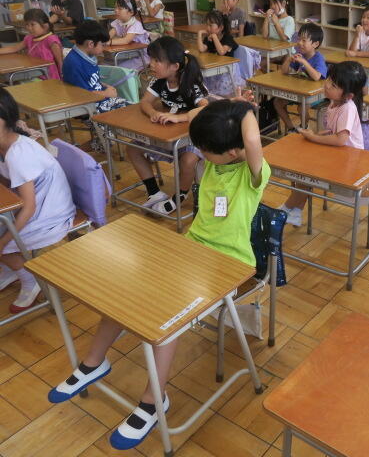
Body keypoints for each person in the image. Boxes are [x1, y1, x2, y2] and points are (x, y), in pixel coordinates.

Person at [48, 100, 269, 452]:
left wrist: (244, 110)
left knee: (164, 317)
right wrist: (224, 110)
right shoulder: (217, 163)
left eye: (205, 149)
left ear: (232, 152)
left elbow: (253, 142)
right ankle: (94, 362)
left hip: (227, 263)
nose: (199, 153)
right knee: (127, 293)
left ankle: (154, 400)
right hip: (192, 249)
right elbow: (198, 113)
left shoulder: (253, 175)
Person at [0, 88, 75, 314]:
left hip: (49, 214)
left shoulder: (18, 153)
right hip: (34, 205)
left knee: (0, 241)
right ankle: (11, 269)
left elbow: (29, 207)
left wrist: (2, 243)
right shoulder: (5, 144)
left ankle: (29, 278)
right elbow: (7, 182)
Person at [127, 36, 209, 215]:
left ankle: (179, 196)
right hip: (168, 134)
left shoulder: (190, 84)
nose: (151, 64)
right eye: (151, 59)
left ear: (174, 66)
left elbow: (205, 108)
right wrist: (153, 113)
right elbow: (145, 102)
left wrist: (179, 118)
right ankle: (154, 192)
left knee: (188, 160)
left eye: (157, 60)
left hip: (194, 136)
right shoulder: (159, 81)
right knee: (132, 148)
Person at [279, 61, 365, 226]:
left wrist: (314, 138)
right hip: (338, 154)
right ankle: (295, 211)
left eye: (333, 85)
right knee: (305, 169)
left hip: (350, 162)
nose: (327, 85)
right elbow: (335, 133)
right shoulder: (335, 102)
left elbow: (341, 139)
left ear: (348, 96)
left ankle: (286, 209)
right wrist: (319, 134)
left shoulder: (347, 108)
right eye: (329, 80)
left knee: (308, 172)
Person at [63, 21, 129, 151]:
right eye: (102, 45)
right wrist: (107, 93)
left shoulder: (86, 55)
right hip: (88, 107)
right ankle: (76, 152)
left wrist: (106, 86)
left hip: (99, 101)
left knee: (133, 111)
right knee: (108, 140)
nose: (103, 48)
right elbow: (81, 95)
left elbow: (91, 80)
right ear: (90, 44)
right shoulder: (74, 63)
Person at [274, 23, 327, 133]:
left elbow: (317, 77)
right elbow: (284, 71)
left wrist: (304, 62)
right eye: (299, 39)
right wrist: (288, 60)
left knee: (301, 107)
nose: (299, 43)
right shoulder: (300, 54)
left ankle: (304, 127)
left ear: (315, 44)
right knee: (277, 102)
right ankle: (291, 128)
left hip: (315, 95)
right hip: (299, 91)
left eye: (304, 40)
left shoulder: (318, 58)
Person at [0, 9, 63, 80]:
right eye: (27, 24)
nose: (29, 28)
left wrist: (62, 78)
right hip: (33, 74)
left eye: (32, 24)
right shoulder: (29, 38)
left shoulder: (51, 40)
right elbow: (14, 48)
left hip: (49, 77)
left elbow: (60, 62)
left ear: (45, 26)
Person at [197, 10, 239, 97]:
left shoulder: (227, 38)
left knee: (223, 94)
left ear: (221, 28)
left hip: (227, 70)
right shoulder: (209, 38)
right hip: (214, 67)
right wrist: (199, 34)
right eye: (207, 25)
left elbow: (221, 52)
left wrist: (214, 37)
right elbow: (201, 49)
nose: (208, 28)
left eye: (211, 25)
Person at [108, 0, 150, 71]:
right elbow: (110, 34)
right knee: (109, 66)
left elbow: (126, 40)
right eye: (115, 7)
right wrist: (103, 40)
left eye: (120, 8)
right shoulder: (118, 21)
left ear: (131, 12)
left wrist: (109, 42)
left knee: (120, 70)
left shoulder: (136, 24)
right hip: (129, 53)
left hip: (141, 57)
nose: (116, 10)